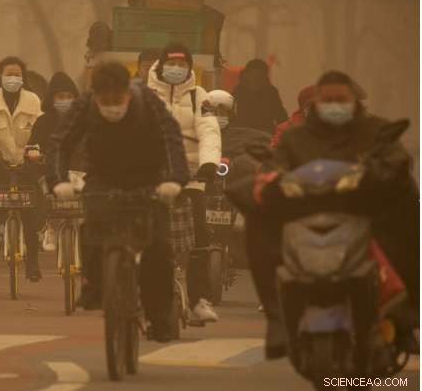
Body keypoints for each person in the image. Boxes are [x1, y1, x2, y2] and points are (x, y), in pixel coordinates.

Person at [245, 71, 419, 359]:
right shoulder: (294, 136)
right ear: (314, 103)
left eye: (341, 100)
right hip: (306, 213)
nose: (334, 105)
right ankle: (277, 320)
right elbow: (274, 164)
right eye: (327, 100)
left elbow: (396, 160)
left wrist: (380, 174)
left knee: (409, 209)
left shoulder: (376, 131)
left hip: (365, 213)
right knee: (258, 215)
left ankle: (404, 317)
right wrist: (270, 181)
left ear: (355, 101)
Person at [47, 61, 190, 341]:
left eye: (117, 100)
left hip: (150, 178)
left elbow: (172, 138)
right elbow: (59, 143)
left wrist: (175, 180)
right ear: (94, 96)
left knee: (158, 248)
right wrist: (57, 180)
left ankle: (158, 316)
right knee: (91, 228)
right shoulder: (85, 104)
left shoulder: (148, 101)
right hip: (103, 176)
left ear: (128, 92)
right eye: (105, 101)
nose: (112, 107)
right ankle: (94, 285)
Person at [147, 42, 222, 325]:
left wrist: (209, 164)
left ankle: (199, 299)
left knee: (199, 236)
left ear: (189, 67)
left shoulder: (199, 97)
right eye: (172, 63)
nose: (176, 69)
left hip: (191, 175)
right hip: (151, 177)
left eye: (182, 64)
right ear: (161, 64)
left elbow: (210, 131)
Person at [0, 57, 44, 280]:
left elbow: (40, 128)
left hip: (28, 161)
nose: (13, 78)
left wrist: (36, 152)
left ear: (23, 77)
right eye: (9, 73)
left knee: (28, 214)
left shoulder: (33, 100)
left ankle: (33, 265)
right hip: (1, 160)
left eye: (17, 74)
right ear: (0, 75)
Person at [29, 72, 81, 252]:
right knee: (50, 196)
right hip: (50, 171)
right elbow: (33, 144)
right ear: (52, 99)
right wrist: (34, 152)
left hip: (79, 172)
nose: (65, 100)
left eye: (69, 96)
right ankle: (50, 227)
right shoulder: (43, 122)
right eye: (60, 96)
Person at [231, 59, 288, 134]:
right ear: (247, 75)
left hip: (265, 134)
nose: (256, 78)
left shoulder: (271, 92)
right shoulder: (238, 91)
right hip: (242, 134)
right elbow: (230, 116)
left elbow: (281, 117)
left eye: (260, 76)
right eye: (254, 75)